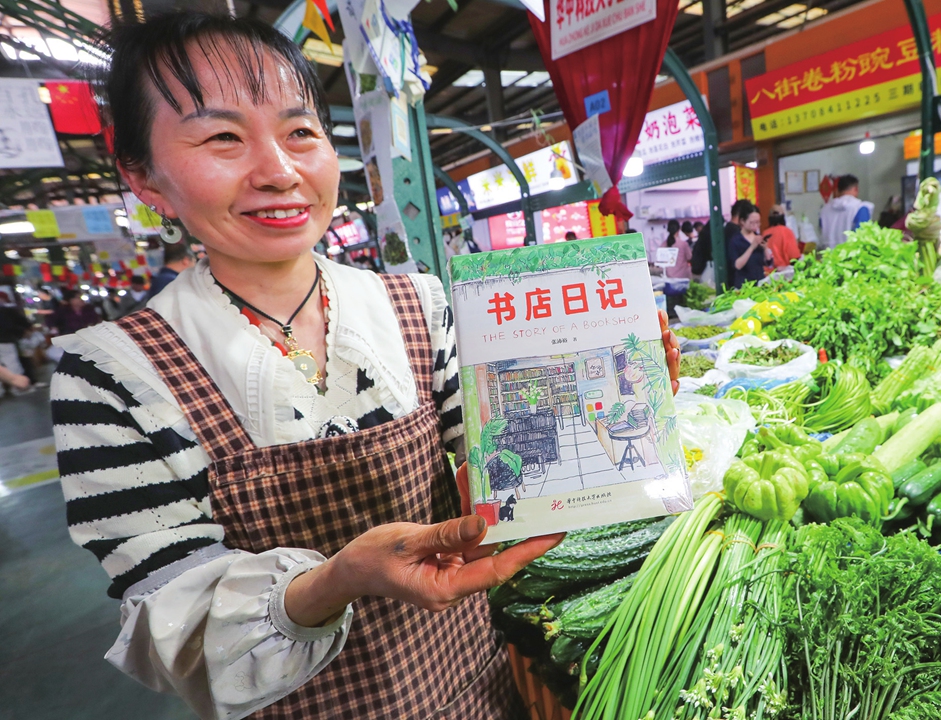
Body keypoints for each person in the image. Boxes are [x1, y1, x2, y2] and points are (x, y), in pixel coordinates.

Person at [50, 13, 680, 720]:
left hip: (475, 694)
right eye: (223, 137)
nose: (280, 171)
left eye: (300, 132)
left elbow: (495, 474)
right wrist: (337, 579)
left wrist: (611, 392)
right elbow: (174, 624)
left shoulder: (419, 304)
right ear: (144, 176)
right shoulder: (111, 372)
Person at [690, 199, 752, 278]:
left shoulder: (721, 228)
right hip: (731, 280)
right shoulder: (737, 233)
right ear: (743, 218)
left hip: (712, 274)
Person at [818, 175, 874, 250]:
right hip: (851, 257)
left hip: (828, 256)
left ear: (837, 190)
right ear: (856, 189)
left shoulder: (825, 210)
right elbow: (863, 236)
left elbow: (821, 228)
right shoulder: (860, 208)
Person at [726, 202, 771, 289]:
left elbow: (768, 263)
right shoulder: (736, 240)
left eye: (758, 222)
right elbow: (737, 265)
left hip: (760, 284)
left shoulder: (758, 237)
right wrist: (752, 247)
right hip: (743, 286)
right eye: (752, 223)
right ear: (743, 221)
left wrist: (765, 248)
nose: (755, 226)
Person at [0, 286, 31, 394]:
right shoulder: (6, 311)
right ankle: (18, 387)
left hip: (6, 339)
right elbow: (19, 322)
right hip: (6, 340)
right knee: (11, 363)